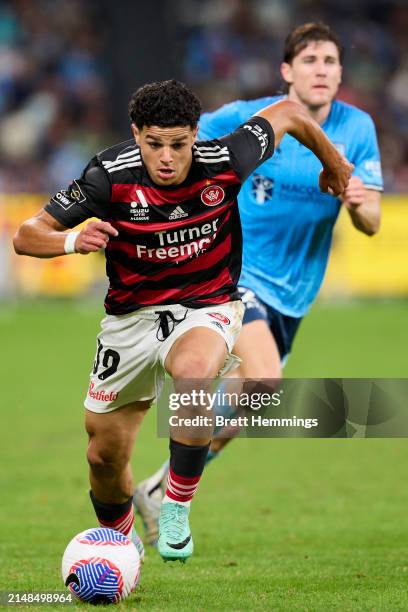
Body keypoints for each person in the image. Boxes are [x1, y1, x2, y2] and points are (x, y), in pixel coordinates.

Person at [13, 79, 352, 562]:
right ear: (137, 135)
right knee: (104, 456)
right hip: (130, 321)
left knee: (193, 376)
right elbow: (28, 236)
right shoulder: (108, 175)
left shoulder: (226, 160)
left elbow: (291, 112)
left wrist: (334, 165)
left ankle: (176, 505)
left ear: (196, 133)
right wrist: (73, 241)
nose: (167, 157)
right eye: (154, 144)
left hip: (205, 306)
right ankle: (120, 539)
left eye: (178, 144)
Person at [134, 23, 383, 547]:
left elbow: (373, 223)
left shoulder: (357, 129)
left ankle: (158, 487)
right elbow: (182, 151)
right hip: (235, 273)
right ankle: (171, 485)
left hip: (295, 294)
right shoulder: (248, 119)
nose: (322, 69)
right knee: (265, 380)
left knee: (249, 404)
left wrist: (358, 200)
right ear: (287, 71)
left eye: (331, 61)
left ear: (341, 73)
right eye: (310, 60)